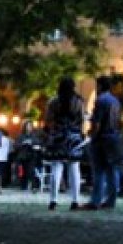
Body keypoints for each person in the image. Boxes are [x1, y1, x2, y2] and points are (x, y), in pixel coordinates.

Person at [44, 76, 85, 211]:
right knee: (74, 169)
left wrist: (51, 131)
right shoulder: (78, 101)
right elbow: (82, 119)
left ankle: (53, 200)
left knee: (56, 168)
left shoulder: (53, 102)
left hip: (58, 136)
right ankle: (75, 200)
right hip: (74, 136)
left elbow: (48, 119)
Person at [84, 76, 122, 210]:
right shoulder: (116, 101)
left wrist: (92, 134)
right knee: (112, 170)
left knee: (99, 171)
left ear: (100, 85)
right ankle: (111, 200)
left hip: (101, 139)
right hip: (114, 137)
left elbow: (97, 122)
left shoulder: (100, 100)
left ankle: (96, 200)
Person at [14, 121, 41, 192]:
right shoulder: (21, 136)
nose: (29, 128)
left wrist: (32, 144)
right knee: (23, 172)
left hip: (32, 156)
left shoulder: (34, 136)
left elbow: (38, 145)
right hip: (22, 156)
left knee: (31, 171)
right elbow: (16, 145)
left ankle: (34, 186)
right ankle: (23, 185)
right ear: (25, 127)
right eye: (27, 126)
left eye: (30, 126)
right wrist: (23, 143)